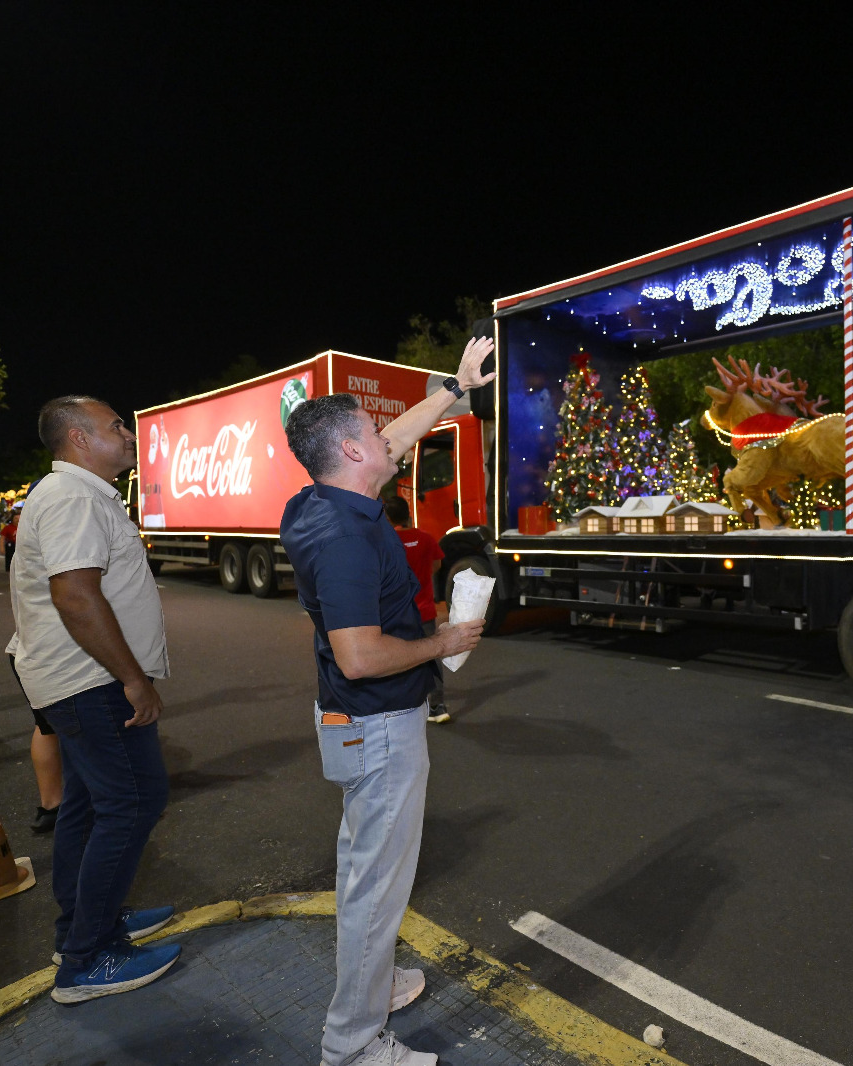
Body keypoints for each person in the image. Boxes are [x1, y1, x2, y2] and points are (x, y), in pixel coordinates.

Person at [281, 336, 494, 1066]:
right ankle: (353, 1045)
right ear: (349, 449)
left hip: (349, 722)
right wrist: (446, 639)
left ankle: (374, 985)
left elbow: (399, 435)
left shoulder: (320, 495)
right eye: (374, 434)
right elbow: (361, 655)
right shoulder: (343, 535)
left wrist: (454, 389)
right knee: (377, 885)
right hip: (376, 725)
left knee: (360, 866)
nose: (390, 440)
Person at [7, 396, 177, 1004]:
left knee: (86, 804)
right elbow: (76, 596)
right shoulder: (75, 496)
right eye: (115, 426)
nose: (128, 434)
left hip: (78, 680)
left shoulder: (78, 493)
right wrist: (133, 678)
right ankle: (87, 959)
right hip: (92, 680)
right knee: (133, 801)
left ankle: (85, 924)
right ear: (78, 438)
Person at [384, 496, 448, 723]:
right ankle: (438, 707)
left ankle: (404, 706)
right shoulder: (425, 538)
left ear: (388, 517)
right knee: (432, 656)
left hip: (396, 613)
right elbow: (437, 564)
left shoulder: (385, 540)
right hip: (425, 610)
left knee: (398, 658)